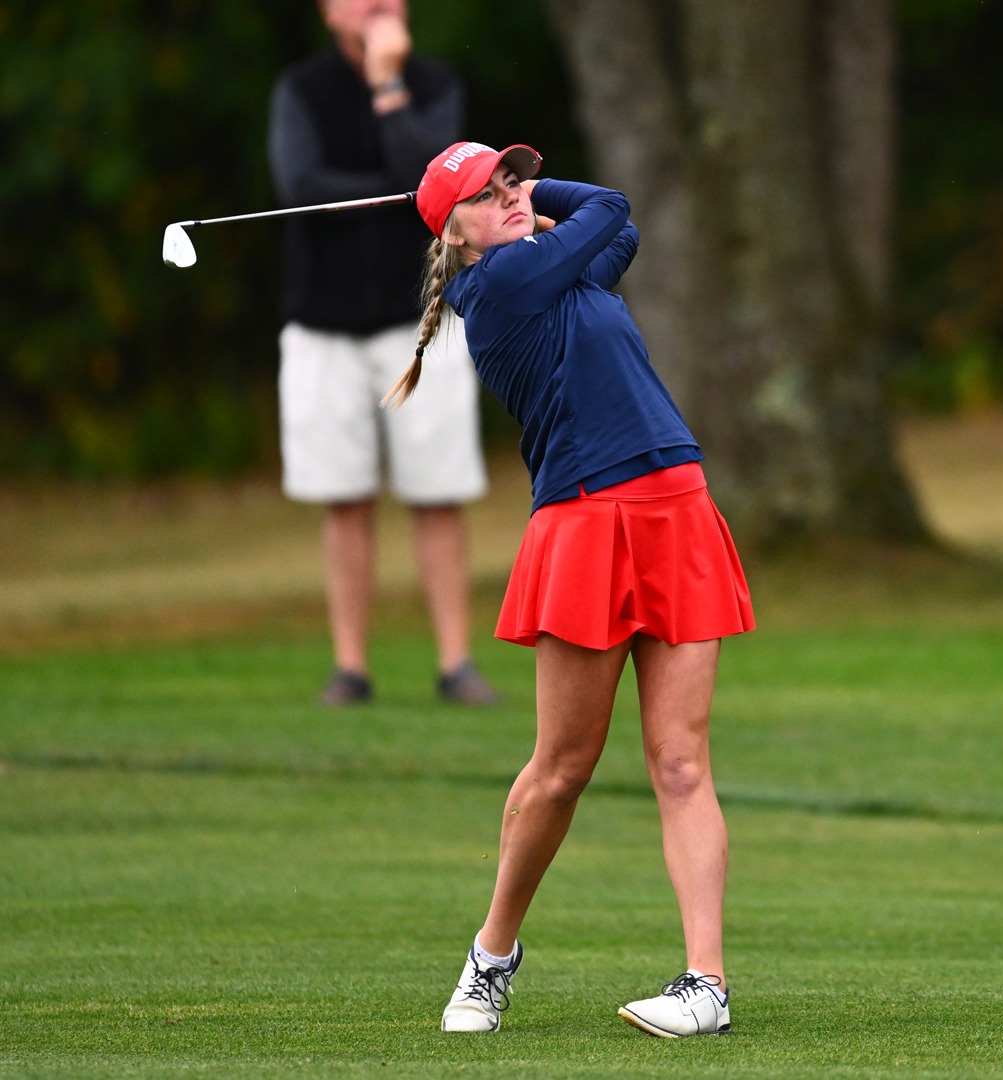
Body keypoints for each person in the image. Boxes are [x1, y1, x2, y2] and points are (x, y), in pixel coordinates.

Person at [391, 141, 755, 1037]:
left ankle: (706, 985)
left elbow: (612, 223)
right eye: (489, 194)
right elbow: (611, 205)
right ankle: (491, 957)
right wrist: (529, 202)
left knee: (681, 761)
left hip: (675, 503)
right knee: (562, 770)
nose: (512, 198)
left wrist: (512, 188)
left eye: (514, 182)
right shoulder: (498, 289)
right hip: (586, 525)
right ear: (455, 233)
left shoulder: (561, 275)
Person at [269, 0, 498, 706]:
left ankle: (456, 664)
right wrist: (404, 196)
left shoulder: (432, 84)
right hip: (323, 326)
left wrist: (387, 86)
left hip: (420, 323)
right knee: (344, 498)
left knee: (437, 496)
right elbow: (302, 190)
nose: (378, 4)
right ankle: (351, 668)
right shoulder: (301, 90)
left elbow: (441, 188)